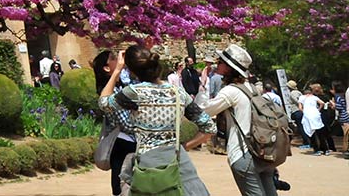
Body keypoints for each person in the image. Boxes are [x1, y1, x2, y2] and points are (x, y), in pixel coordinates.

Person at [99, 45, 215, 196]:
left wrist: (117, 71)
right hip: (180, 167)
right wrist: (185, 146)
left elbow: (104, 103)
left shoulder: (134, 93)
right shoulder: (178, 93)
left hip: (150, 168)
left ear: (132, 71)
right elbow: (209, 128)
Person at [202, 44, 277, 196]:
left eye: (221, 61)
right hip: (262, 151)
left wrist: (202, 85)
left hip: (243, 153)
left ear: (229, 68)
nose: (217, 63)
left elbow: (205, 111)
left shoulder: (231, 91)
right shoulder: (252, 88)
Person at [93, 50, 137, 196]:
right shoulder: (110, 92)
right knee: (122, 188)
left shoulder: (122, 84)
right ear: (106, 68)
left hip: (131, 144)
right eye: (113, 58)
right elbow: (127, 124)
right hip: (123, 146)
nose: (118, 60)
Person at [300, 85, 332, 155]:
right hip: (316, 115)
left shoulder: (302, 98)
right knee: (320, 133)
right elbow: (322, 103)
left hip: (308, 116)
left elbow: (300, 107)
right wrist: (318, 110)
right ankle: (326, 149)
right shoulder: (314, 97)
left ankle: (317, 150)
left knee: (311, 133)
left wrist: (304, 112)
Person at [332, 82, 349, 155]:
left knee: (346, 134)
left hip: (344, 116)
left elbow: (339, 107)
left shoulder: (337, 97)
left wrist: (333, 105)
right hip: (346, 115)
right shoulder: (344, 95)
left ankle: (346, 149)